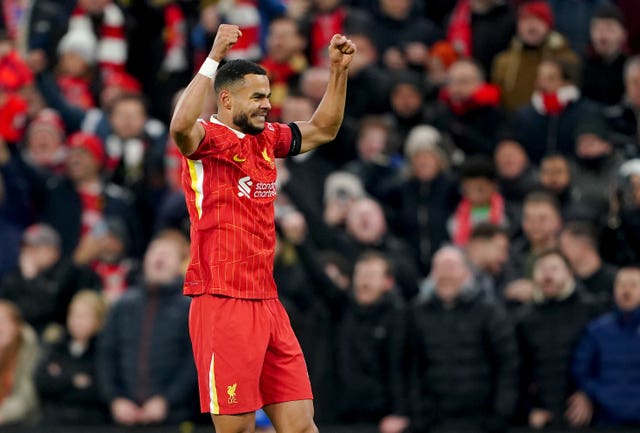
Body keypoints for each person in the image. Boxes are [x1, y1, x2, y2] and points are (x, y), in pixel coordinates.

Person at [168, 24, 356, 433]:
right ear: (226, 98)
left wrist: (338, 72)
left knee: (303, 427)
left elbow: (323, 128)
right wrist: (214, 56)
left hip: (267, 300)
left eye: (268, 96)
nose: (266, 105)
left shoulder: (267, 139)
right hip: (222, 299)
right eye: (257, 97)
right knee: (237, 430)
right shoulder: (207, 141)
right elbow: (180, 127)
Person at [572, 266, 640, 426]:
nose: (626, 290)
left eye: (633, 285)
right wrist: (598, 393)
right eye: (621, 285)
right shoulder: (597, 329)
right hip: (606, 419)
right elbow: (581, 370)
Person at [34, 290, 109, 425]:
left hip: (92, 423)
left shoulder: (104, 351)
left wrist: (61, 378)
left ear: (99, 320)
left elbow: (100, 391)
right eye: (73, 315)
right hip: (55, 421)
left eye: (83, 316)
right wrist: (74, 381)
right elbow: (41, 382)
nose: (76, 321)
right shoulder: (56, 345)